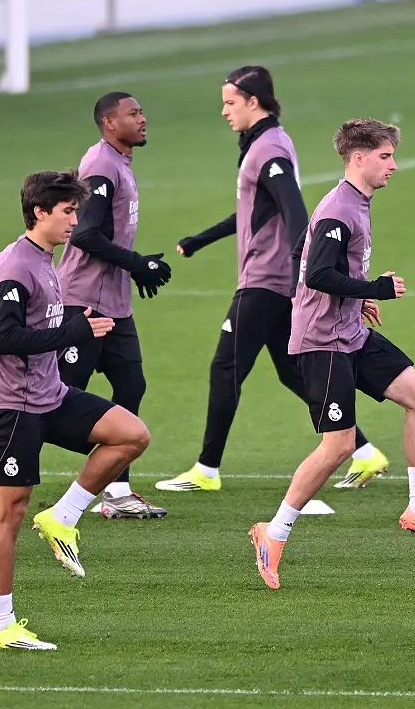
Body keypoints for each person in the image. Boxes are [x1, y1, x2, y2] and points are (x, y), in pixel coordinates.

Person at [248, 118, 415, 592]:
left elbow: (304, 254)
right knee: (339, 447)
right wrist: (374, 289)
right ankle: (273, 532)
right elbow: (317, 274)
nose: (394, 165)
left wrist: (355, 297)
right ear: (358, 158)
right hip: (323, 343)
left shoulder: (354, 203)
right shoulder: (339, 208)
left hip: (351, 332)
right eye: (385, 156)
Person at [157, 66, 391, 493]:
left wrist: (304, 273)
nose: (225, 111)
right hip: (276, 279)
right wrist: (200, 240)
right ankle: (363, 451)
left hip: (266, 280)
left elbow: (296, 211)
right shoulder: (267, 143)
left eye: (230, 102)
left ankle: (206, 470)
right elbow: (256, 211)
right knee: (292, 370)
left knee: (225, 367)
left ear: (253, 101)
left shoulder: (269, 149)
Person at [0, 92, 168, 520]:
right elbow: (87, 235)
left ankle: (116, 490)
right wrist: (137, 264)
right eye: (133, 113)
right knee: (57, 391)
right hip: (83, 299)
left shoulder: (120, 163)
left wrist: (134, 268)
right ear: (109, 122)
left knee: (131, 386)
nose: (142, 119)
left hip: (114, 302)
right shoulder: (101, 165)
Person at [0, 170, 151, 649]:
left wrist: (76, 327)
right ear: (40, 212)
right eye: (68, 211)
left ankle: (63, 517)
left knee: (131, 435)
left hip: (49, 395)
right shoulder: (14, 266)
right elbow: (3, 337)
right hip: (12, 405)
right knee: (9, 513)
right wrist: (72, 332)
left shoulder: (45, 259)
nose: (76, 220)